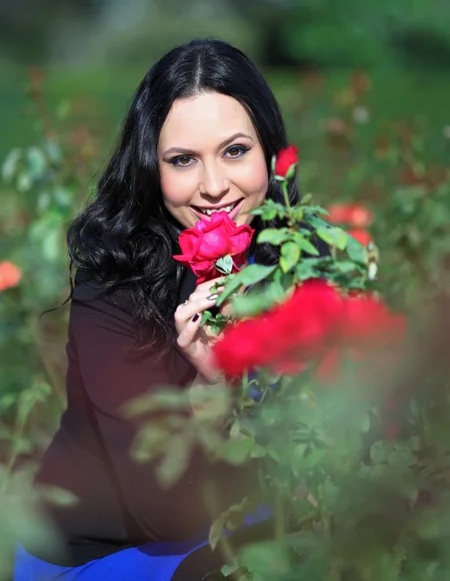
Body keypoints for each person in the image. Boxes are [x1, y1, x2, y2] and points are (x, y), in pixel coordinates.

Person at [13, 37, 305, 581]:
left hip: (237, 516)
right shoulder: (114, 287)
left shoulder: (294, 255)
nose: (214, 186)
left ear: (271, 152)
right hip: (108, 556)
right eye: (183, 160)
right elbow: (163, 510)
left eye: (235, 151)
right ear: (151, 169)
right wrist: (210, 387)